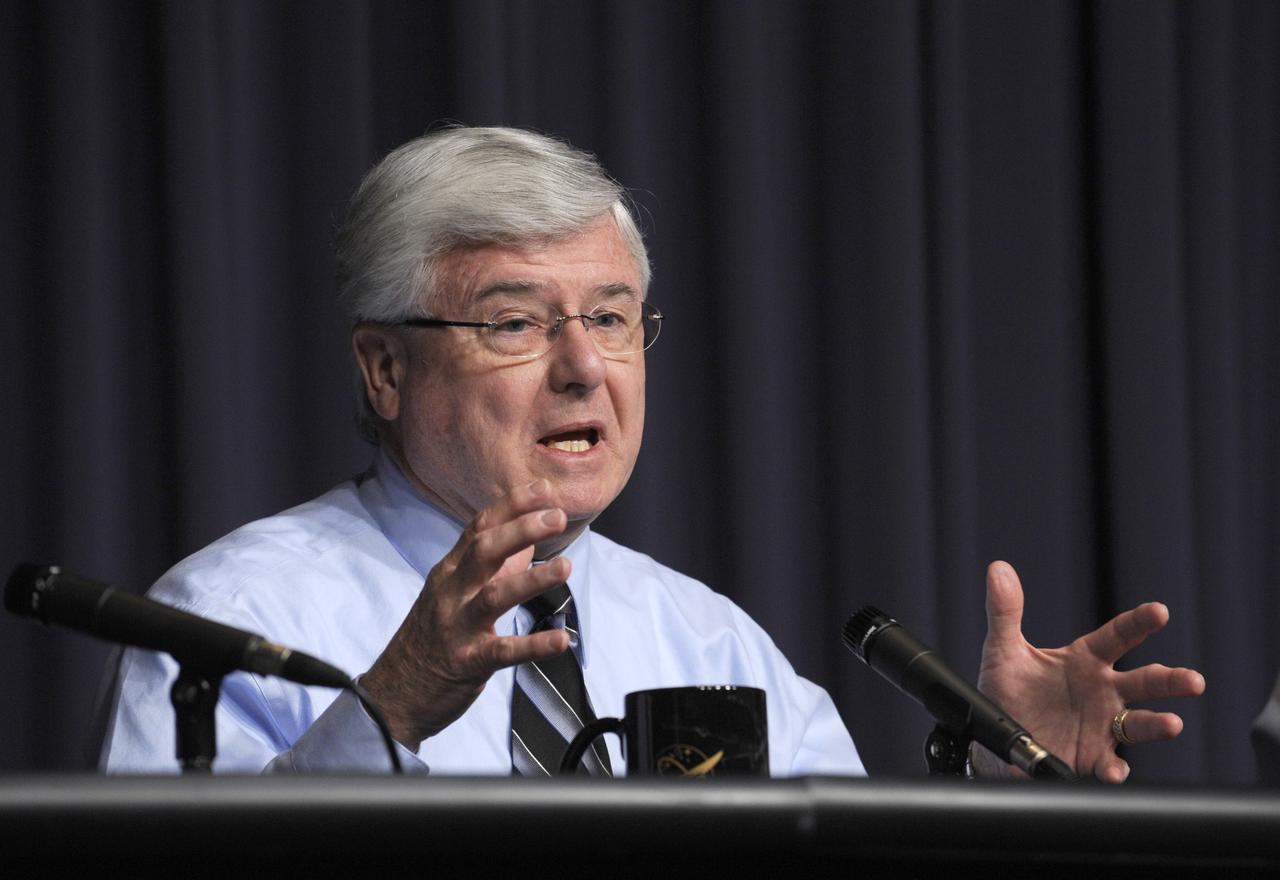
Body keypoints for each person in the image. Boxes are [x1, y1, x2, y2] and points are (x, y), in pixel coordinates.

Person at [101, 126, 1204, 778]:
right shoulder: (234, 617)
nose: (584, 368)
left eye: (614, 317)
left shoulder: (711, 641)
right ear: (384, 369)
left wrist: (997, 781)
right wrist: (384, 710)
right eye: (516, 322)